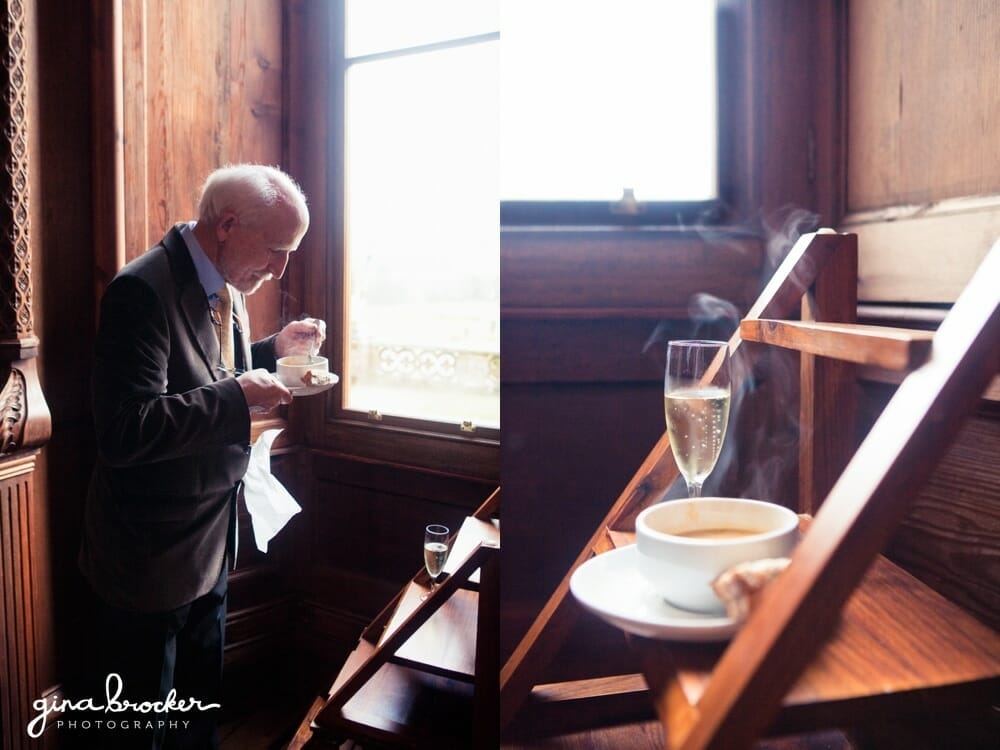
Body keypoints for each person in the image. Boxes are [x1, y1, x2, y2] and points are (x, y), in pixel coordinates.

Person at [77, 164, 324, 749]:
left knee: (195, 725)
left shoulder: (226, 285)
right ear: (228, 225)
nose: (280, 268)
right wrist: (239, 394)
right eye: (275, 250)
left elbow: (211, 376)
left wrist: (271, 351)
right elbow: (124, 431)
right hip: (147, 561)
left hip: (210, 545)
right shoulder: (141, 290)